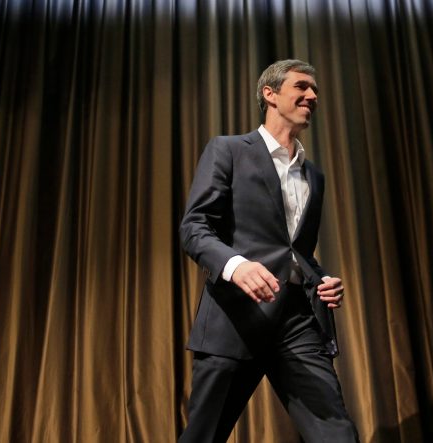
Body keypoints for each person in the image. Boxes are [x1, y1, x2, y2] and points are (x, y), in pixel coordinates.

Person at [178, 59, 359, 442]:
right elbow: (194, 228)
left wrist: (321, 278)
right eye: (302, 86)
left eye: (315, 90)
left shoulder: (314, 175)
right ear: (270, 94)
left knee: (336, 431)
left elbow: (295, 251)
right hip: (235, 315)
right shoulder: (228, 150)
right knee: (204, 435)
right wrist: (236, 265)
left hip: (296, 320)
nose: (312, 95)